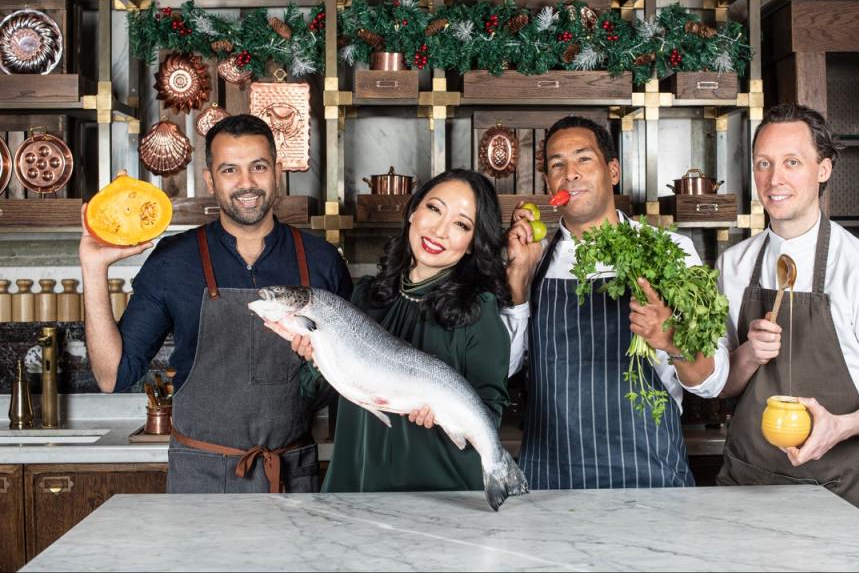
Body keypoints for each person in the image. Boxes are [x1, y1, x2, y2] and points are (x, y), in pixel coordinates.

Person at [79, 114, 352, 494]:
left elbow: (351, 375)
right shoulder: (174, 260)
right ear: (210, 180)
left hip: (291, 474)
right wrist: (93, 270)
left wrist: (317, 364)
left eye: (258, 167)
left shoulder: (322, 261)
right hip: (200, 478)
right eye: (229, 170)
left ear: (277, 171)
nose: (246, 183)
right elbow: (113, 376)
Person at [715, 103, 859, 517]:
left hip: (835, 492)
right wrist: (749, 355)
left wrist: (840, 427)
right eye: (764, 164)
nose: (775, 179)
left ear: (823, 169)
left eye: (792, 162)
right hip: (745, 485)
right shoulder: (733, 265)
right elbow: (723, 386)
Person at [502, 116, 725, 489]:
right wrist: (518, 287)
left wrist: (672, 341)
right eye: (557, 165)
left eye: (583, 159)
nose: (570, 173)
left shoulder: (670, 252)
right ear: (548, 183)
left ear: (613, 171)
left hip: (649, 476)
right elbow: (501, 370)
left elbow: (711, 382)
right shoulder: (530, 258)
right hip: (550, 479)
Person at [291, 169, 511, 493]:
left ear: (471, 245)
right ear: (413, 212)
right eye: (434, 209)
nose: (439, 230)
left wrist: (441, 414)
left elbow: (488, 416)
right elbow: (313, 393)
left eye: (461, 224)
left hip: (439, 496)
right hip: (358, 484)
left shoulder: (479, 310)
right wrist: (316, 356)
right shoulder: (365, 296)